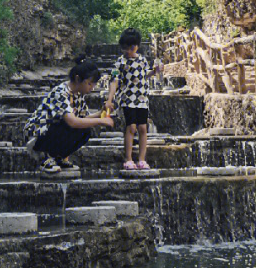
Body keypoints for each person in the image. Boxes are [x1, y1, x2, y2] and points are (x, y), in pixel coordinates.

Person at [25, 59, 114, 175]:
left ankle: (58, 158)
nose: (92, 88)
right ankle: (45, 158)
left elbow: (83, 118)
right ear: (78, 79)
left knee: (85, 131)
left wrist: (101, 112)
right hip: (37, 134)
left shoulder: (77, 94)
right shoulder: (61, 93)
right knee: (67, 125)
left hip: (53, 130)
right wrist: (101, 121)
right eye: (89, 83)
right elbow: (72, 122)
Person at [104, 28, 162, 171]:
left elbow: (144, 75)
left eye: (131, 47)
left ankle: (142, 160)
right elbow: (114, 81)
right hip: (127, 98)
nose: (128, 50)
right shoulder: (120, 62)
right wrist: (109, 99)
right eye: (125, 47)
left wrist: (154, 72)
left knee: (143, 128)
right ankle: (128, 159)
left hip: (142, 98)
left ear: (137, 45)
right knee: (131, 127)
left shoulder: (142, 60)